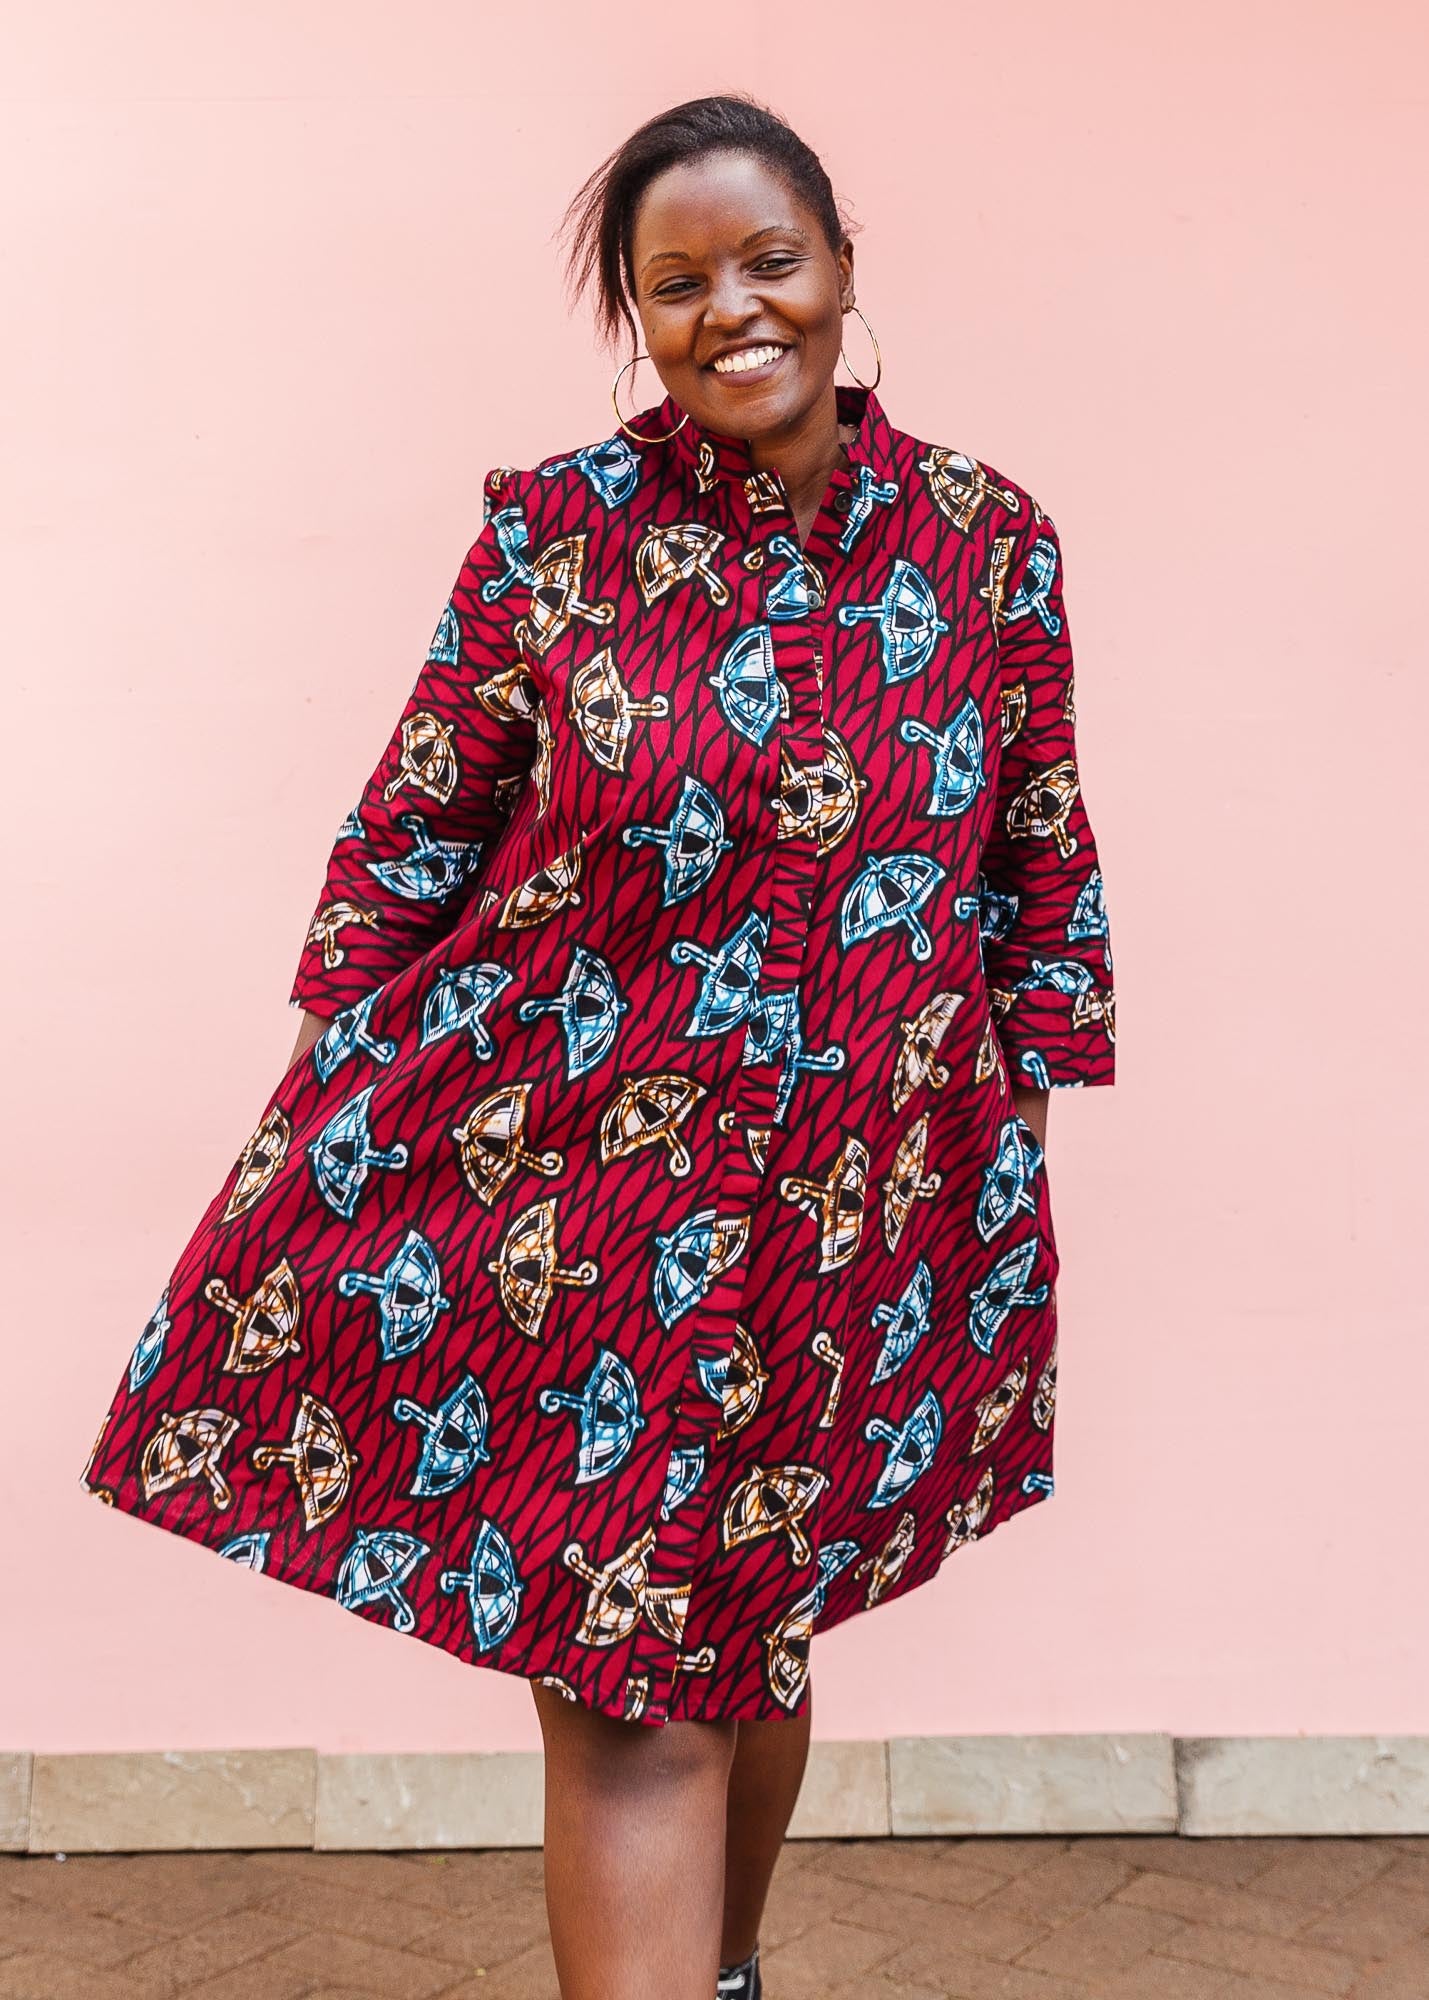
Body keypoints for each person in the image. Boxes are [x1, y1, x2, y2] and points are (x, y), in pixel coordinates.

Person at [79, 92, 1116, 2000]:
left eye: (767, 263)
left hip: (860, 1212)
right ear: (635, 321)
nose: (732, 310)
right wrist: (325, 1133)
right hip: (587, 1196)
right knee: (633, 1694)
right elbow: (409, 840)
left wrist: (989, 1170)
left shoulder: (990, 545)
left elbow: (1035, 870)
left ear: (843, 269)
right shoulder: (557, 536)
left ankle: (715, 1977)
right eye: (676, 285)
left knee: (749, 1638)